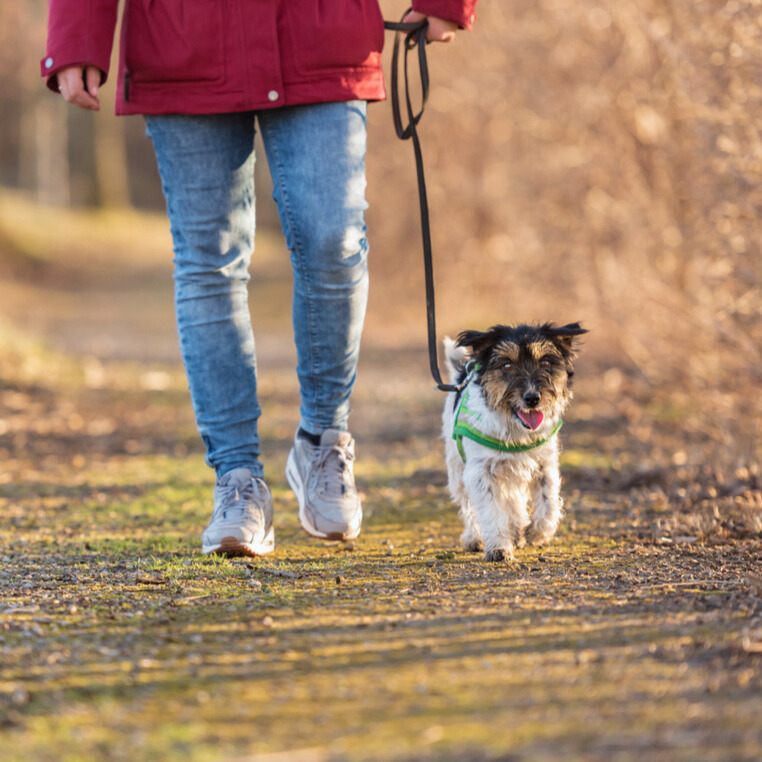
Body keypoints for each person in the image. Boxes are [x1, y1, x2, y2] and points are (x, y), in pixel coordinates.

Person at [41, 0, 478, 557]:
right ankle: (237, 480)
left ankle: (323, 442)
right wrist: (77, 34)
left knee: (334, 241)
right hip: (183, 41)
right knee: (208, 262)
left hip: (320, 35)